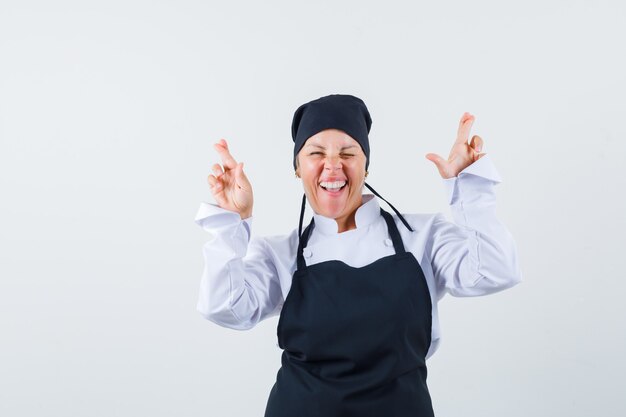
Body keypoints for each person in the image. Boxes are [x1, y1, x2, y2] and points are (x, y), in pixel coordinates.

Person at [194, 94, 522, 416]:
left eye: (348, 153)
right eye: (316, 153)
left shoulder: (423, 237)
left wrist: (470, 189)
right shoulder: (281, 254)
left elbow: (495, 271)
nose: (333, 166)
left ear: (366, 165)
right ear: (298, 168)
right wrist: (231, 223)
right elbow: (225, 308)